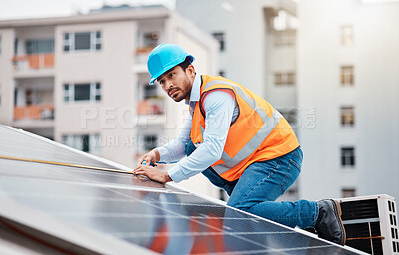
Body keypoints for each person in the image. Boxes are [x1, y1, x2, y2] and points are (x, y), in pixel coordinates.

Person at [133, 43, 346, 245]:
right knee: (192, 148)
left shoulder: (216, 95)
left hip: (280, 157)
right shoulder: (196, 103)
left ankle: (318, 212)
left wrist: (168, 175)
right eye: (161, 81)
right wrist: (157, 155)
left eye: (172, 75)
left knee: (239, 214)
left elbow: (212, 150)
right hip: (255, 162)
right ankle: (245, 198)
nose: (168, 85)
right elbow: (183, 144)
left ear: (190, 70)